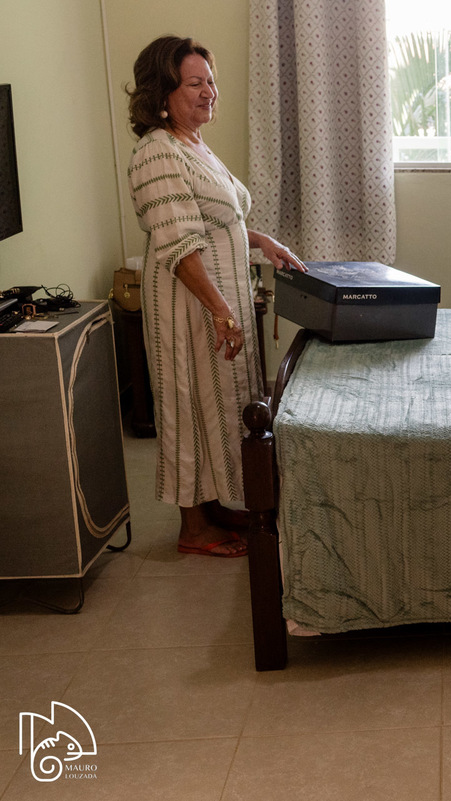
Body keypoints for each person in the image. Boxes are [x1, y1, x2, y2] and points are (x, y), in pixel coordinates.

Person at [126, 35, 306, 557]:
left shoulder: (192, 144)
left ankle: (223, 500)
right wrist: (221, 311)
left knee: (226, 406)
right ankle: (194, 528)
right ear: (163, 90)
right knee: (188, 405)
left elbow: (219, 222)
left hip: (220, 299)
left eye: (212, 82)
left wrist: (262, 241)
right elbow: (181, 245)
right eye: (195, 83)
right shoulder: (156, 152)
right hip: (191, 305)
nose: (209, 92)